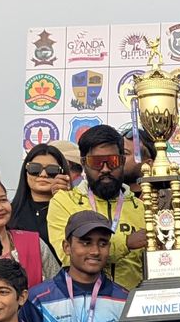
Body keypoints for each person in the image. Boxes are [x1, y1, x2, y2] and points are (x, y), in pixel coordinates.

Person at [45, 124, 149, 291]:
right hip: (82, 299)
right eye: (97, 162)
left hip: (132, 301)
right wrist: (126, 243)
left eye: (113, 161)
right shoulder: (64, 202)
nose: (105, 169)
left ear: (122, 161)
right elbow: (68, 256)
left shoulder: (142, 209)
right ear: (83, 163)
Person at [9, 142, 73, 255]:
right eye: (34, 168)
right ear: (25, 172)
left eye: (52, 170)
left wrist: (64, 199)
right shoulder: (9, 212)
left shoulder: (72, 210)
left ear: (63, 173)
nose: (43, 174)